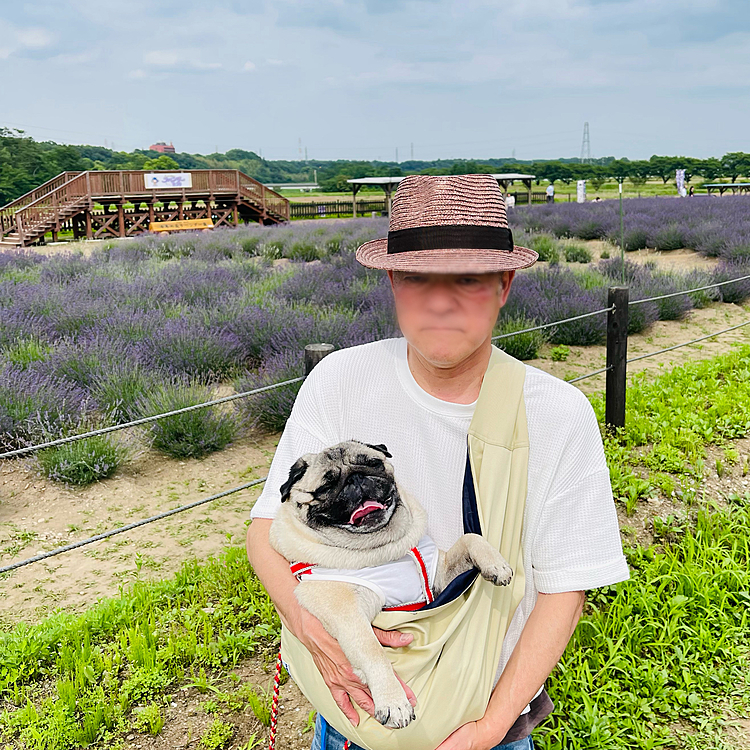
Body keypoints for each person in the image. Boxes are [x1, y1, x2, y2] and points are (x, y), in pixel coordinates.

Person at [246, 174, 629, 750]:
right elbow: (266, 529)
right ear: (394, 282)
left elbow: (564, 591)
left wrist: (487, 732)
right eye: (420, 278)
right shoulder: (341, 380)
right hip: (348, 719)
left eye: (468, 280)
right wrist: (308, 626)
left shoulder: (554, 413)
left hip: (479, 727)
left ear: (504, 285)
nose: (442, 300)